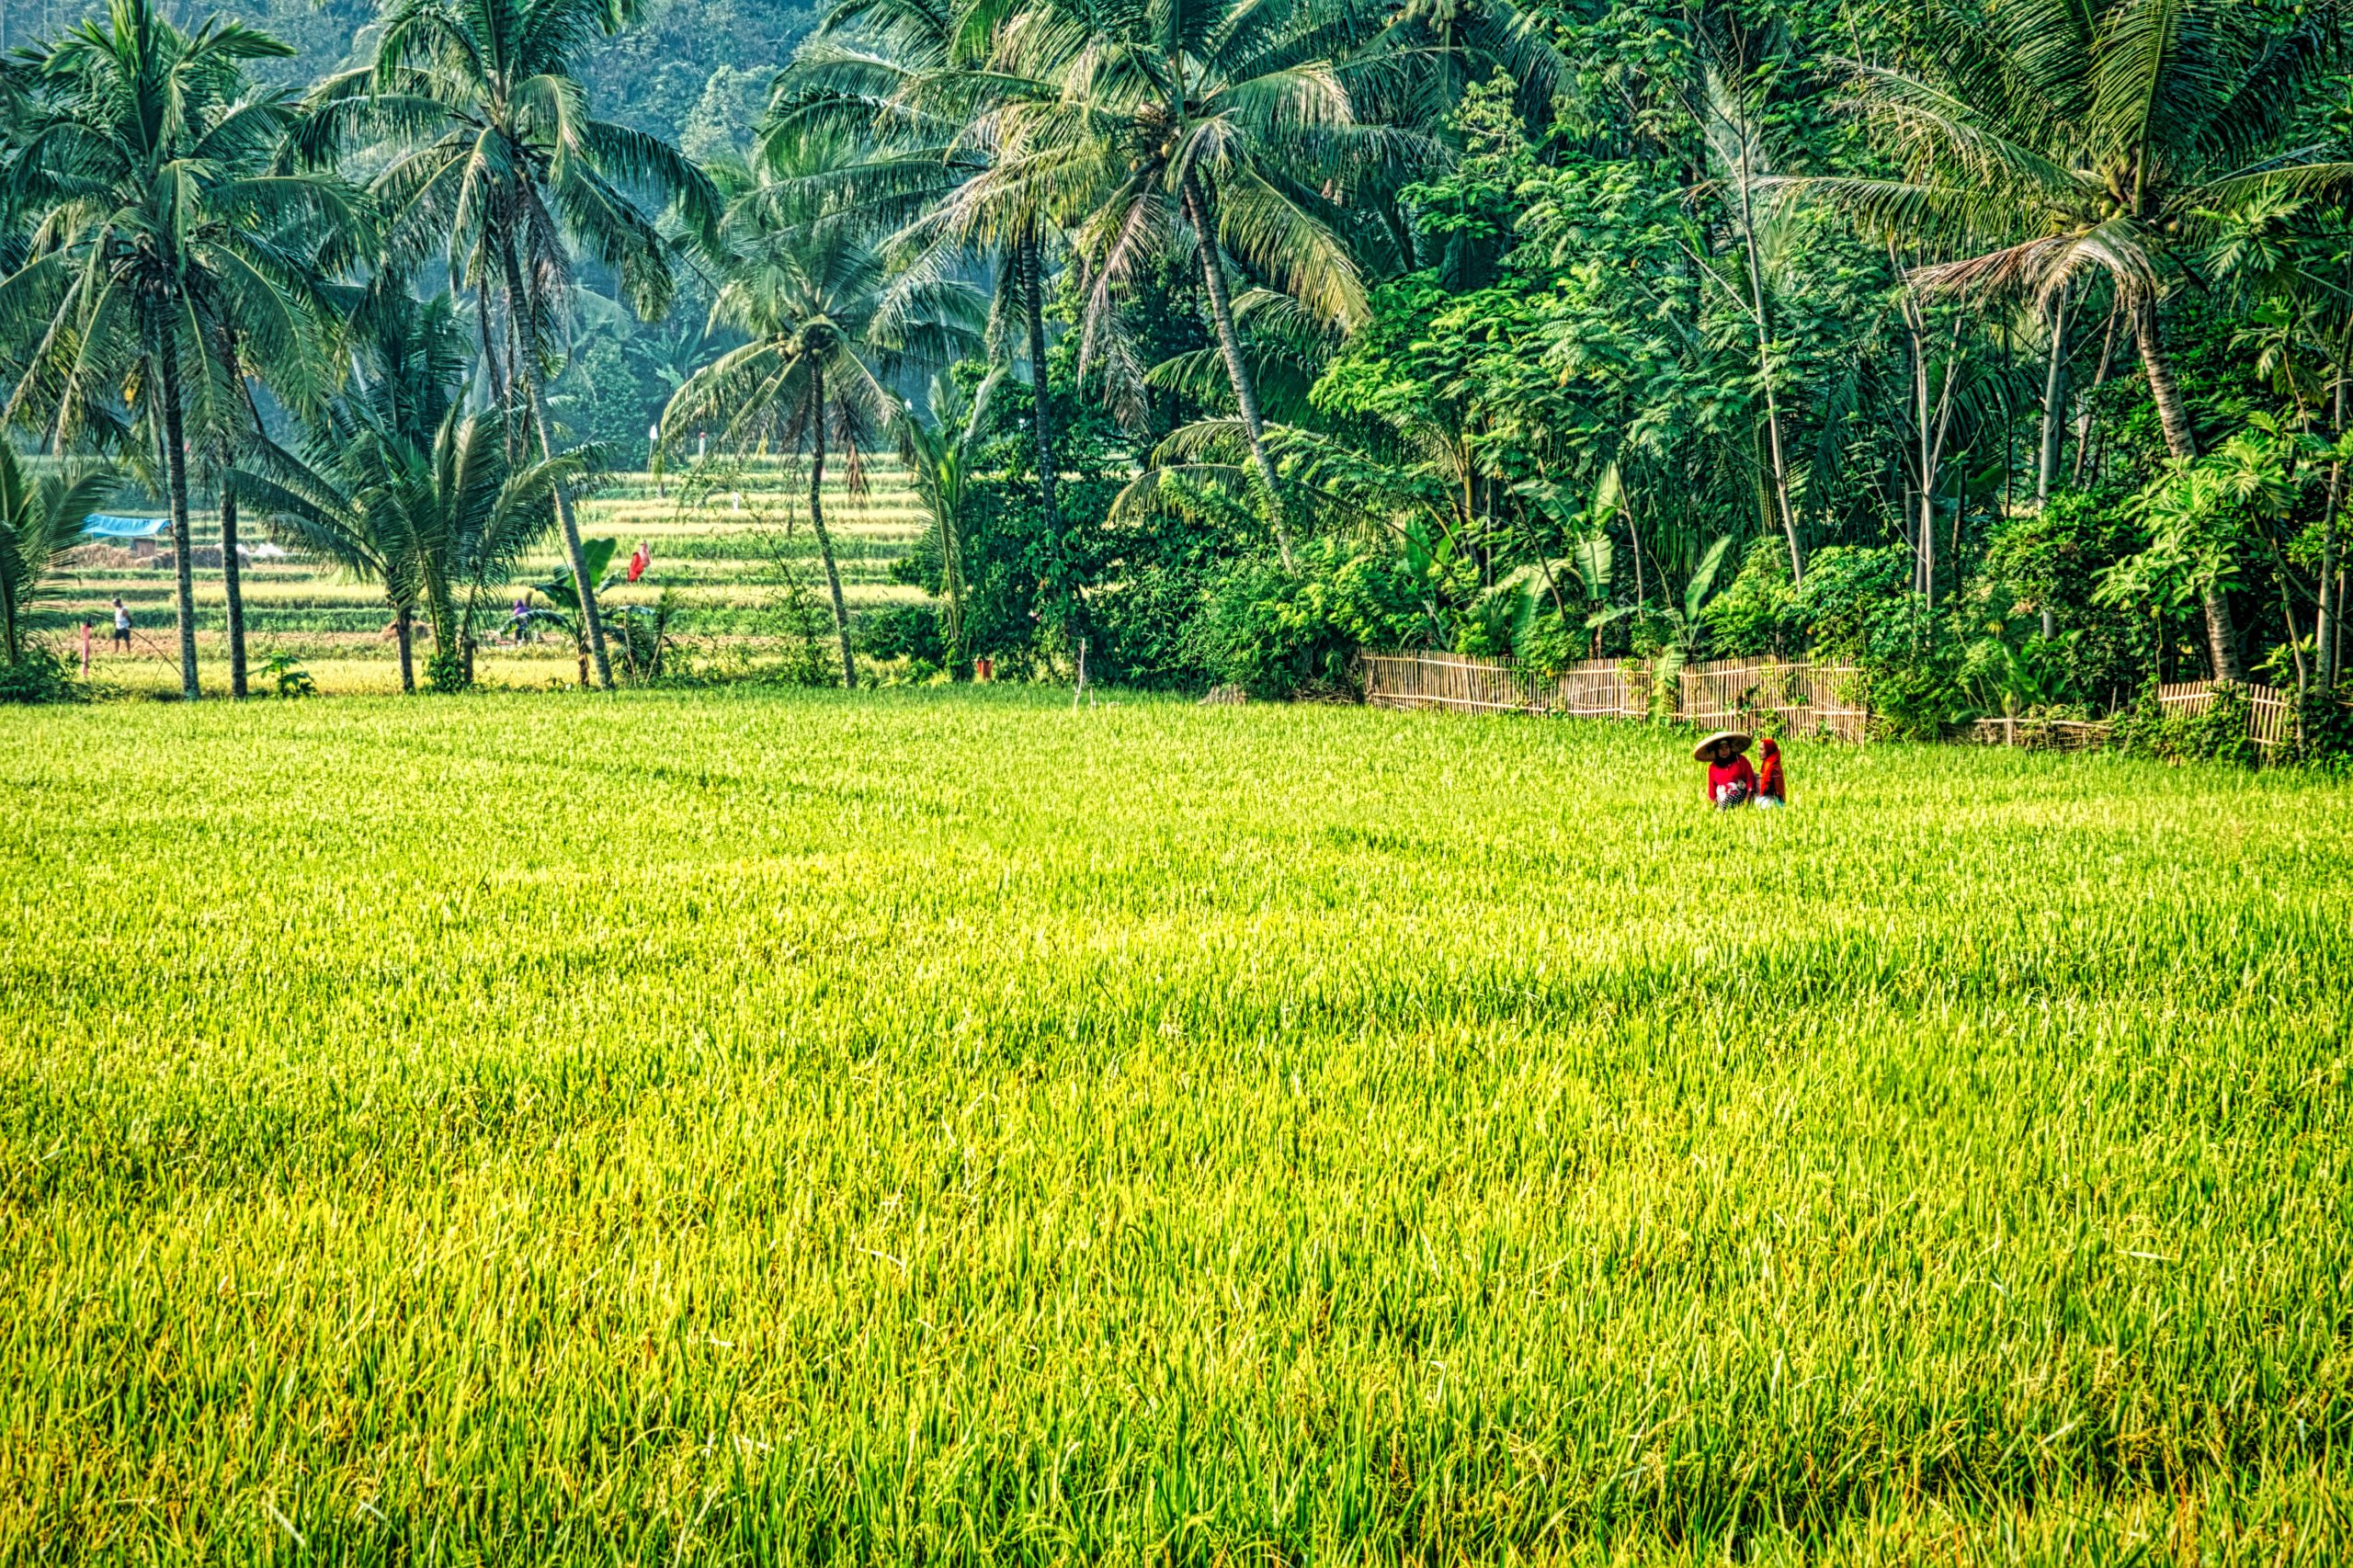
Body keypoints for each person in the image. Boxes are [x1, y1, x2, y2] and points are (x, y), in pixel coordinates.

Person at [1695, 731, 1756, 808]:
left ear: (1730, 748)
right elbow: (1712, 789)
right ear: (1716, 751)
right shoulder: (1713, 767)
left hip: (1741, 796)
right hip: (1722, 800)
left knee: (1731, 799)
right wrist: (1713, 805)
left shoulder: (1741, 760)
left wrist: (1748, 799)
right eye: (1721, 748)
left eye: (1726, 747)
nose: (1724, 751)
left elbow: (1750, 778)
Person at [1755, 737, 1786, 807]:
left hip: (1772, 800)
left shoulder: (1770, 766)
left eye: (1762, 749)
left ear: (1769, 750)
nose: (1759, 752)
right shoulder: (1770, 762)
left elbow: (1766, 787)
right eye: (1759, 749)